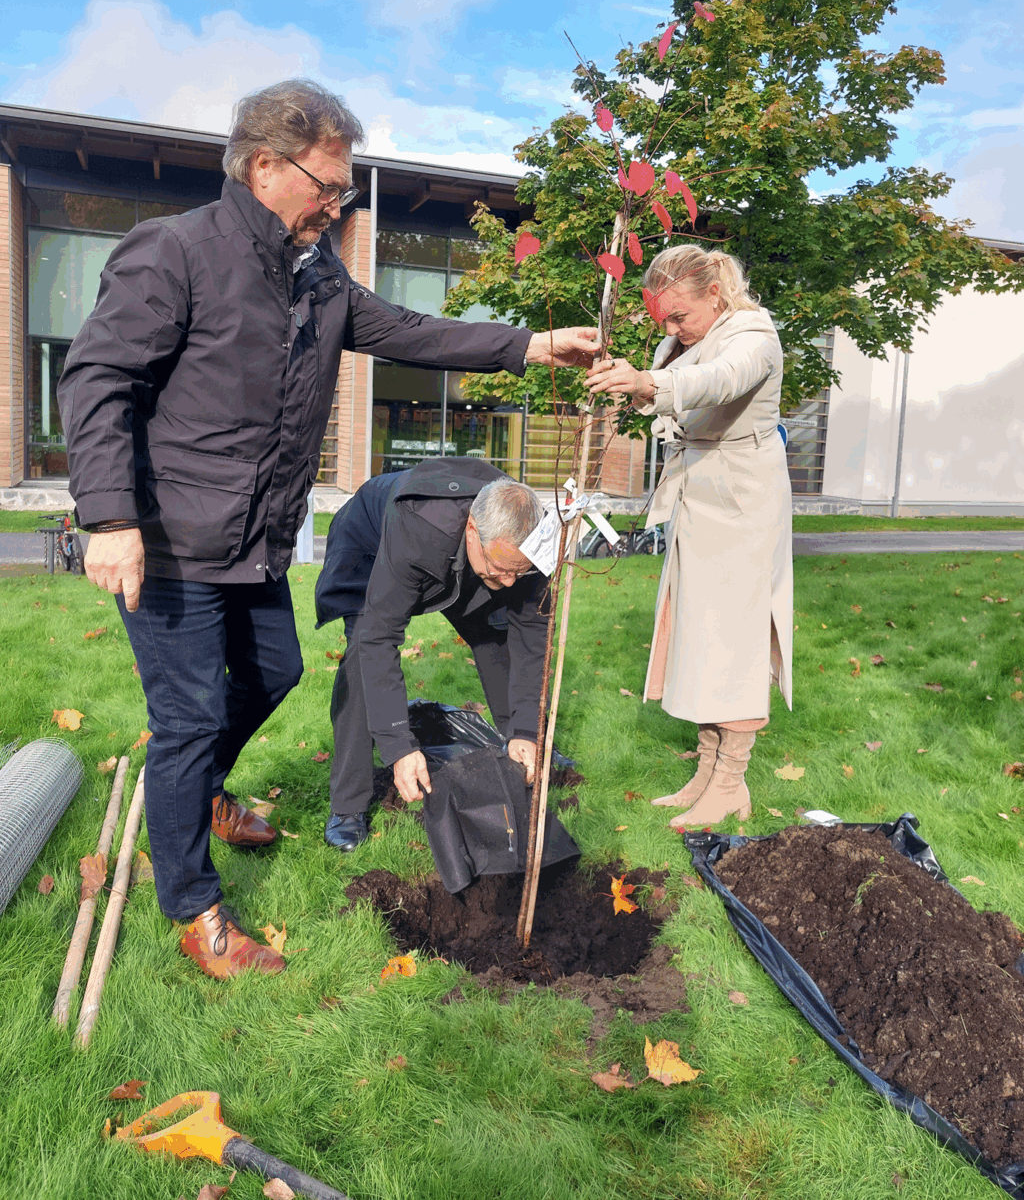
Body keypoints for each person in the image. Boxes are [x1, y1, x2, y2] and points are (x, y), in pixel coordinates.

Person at [57, 78, 599, 981]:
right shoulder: (177, 252)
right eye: (327, 184)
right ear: (265, 166)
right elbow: (95, 378)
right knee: (187, 714)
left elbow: (413, 331)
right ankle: (195, 906)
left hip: (255, 543)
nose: (337, 203)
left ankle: (195, 793)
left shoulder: (318, 281)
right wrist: (110, 515)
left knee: (275, 670)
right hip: (172, 540)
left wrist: (533, 346)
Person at [587, 244, 792, 828]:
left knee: (736, 644)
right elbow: (679, 391)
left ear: (716, 294)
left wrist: (649, 383)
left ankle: (732, 784)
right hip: (698, 498)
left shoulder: (754, 334)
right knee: (700, 639)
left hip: (743, 503)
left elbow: (722, 381)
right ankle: (706, 772)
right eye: (664, 319)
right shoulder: (683, 341)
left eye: (679, 315)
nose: (671, 328)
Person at [314, 459, 546, 851]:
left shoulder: (529, 537)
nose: (509, 581)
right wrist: (399, 748)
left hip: (458, 551)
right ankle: (347, 804)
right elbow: (379, 639)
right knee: (360, 655)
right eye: (501, 569)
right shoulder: (419, 527)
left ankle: (518, 744)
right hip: (370, 542)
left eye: (518, 572)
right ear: (473, 531)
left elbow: (531, 634)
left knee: (494, 633)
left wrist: (527, 727)